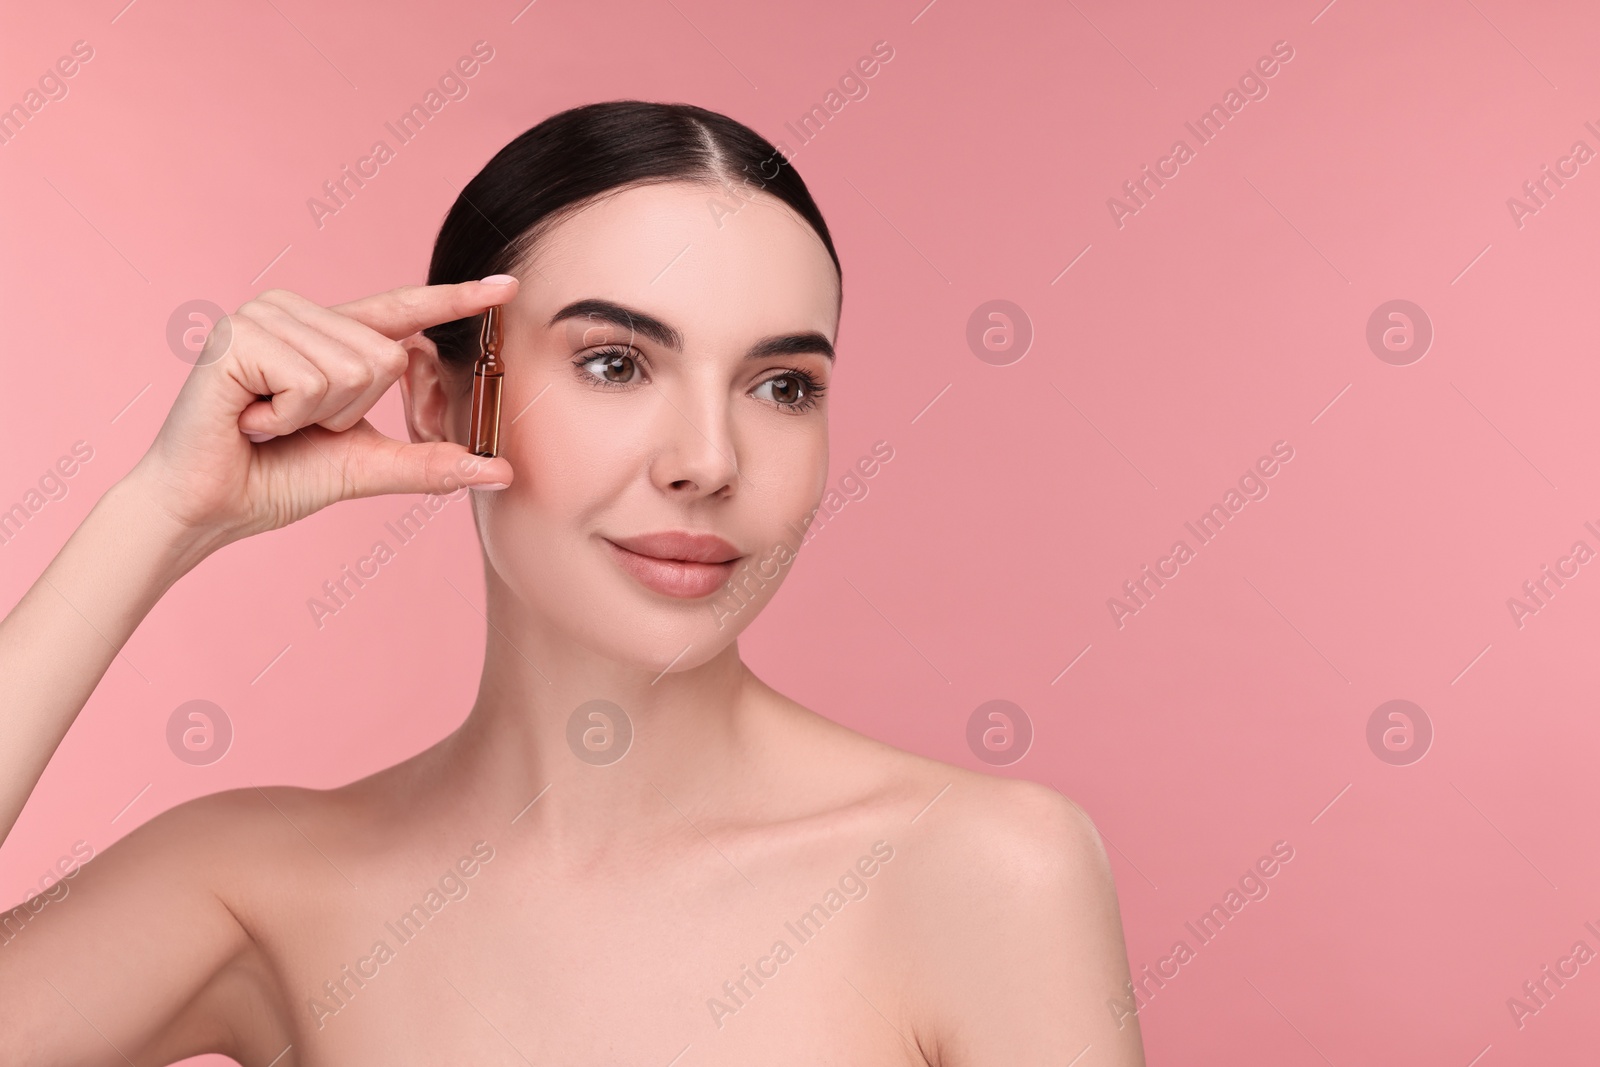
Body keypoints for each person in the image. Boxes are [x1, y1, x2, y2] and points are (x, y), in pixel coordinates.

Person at [0, 100, 1145, 1065]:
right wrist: (158, 513)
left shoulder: (981, 867)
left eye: (783, 385)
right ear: (443, 399)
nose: (708, 459)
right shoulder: (257, 883)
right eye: (615, 362)